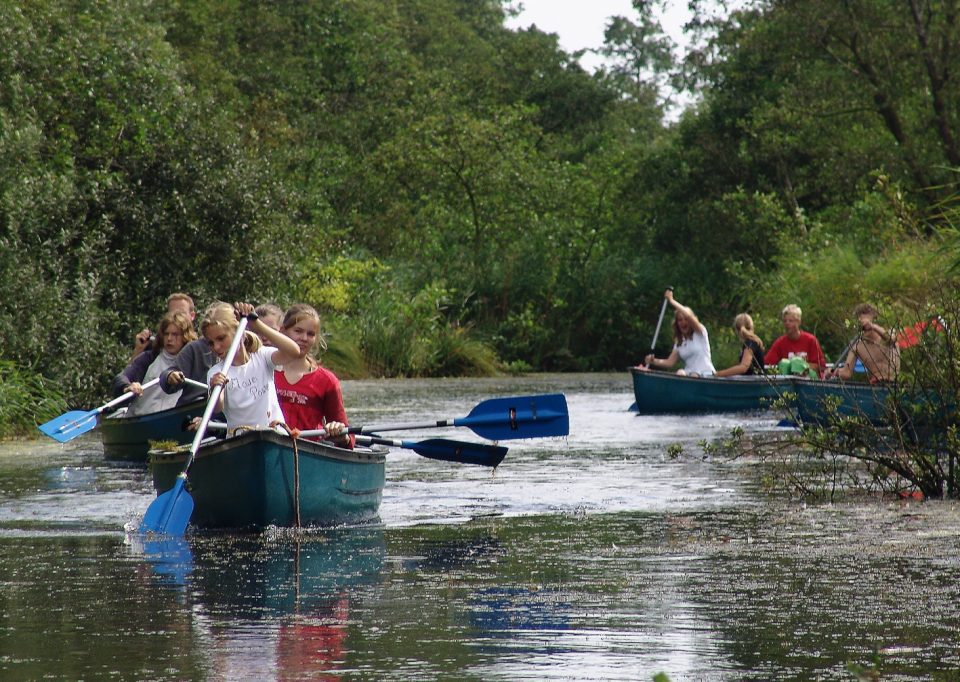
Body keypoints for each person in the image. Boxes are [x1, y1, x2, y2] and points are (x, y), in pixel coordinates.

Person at [202, 301, 301, 434]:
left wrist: (257, 325)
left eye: (221, 338)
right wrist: (216, 388)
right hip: (241, 441)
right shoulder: (216, 372)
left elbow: (294, 352)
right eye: (211, 343)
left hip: (274, 435)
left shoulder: (262, 356)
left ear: (240, 332)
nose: (216, 347)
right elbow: (217, 408)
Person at [273, 304, 352, 447]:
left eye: (310, 334)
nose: (304, 338)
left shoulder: (327, 381)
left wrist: (339, 433)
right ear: (283, 331)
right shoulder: (265, 370)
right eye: (298, 331)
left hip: (309, 451)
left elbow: (347, 438)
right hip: (269, 445)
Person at [112, 311, 196, 416]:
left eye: (175, 334)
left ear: (185, 336)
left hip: (173, 420)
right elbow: (121, 377)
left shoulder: (193, 362)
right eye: (166, 334)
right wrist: (127, 386)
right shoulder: (150, 358)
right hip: (140, 418)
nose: (169, 339)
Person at [641, 289, 716, 377]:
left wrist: (671, 301)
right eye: (680, 320)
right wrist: (653, 361)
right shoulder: (679, 342)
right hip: (690, 372)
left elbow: (689, 316)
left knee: (694, 375)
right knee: (680, 372)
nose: (683, 322)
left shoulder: (700, 332)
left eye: (686, 320)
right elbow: (669, 363)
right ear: (677, 323)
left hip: (706, 373)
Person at [828, 303, 900, 383]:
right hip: (876, 385)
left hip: (895, 385)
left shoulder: (889, 333)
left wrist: (872, 326)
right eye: (862, 324)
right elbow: (846, 373)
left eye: (867, 324)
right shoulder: (857, 347)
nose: (865, 327)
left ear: (874, 320)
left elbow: (891, 340)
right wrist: (833, 372)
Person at [764, 304, 826, 377]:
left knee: (796, 362)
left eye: (790, 321)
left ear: (798, 322)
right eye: (785, 321)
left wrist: (801, 365)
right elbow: (767, 364)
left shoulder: (811, 340)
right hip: (789, 381)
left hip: (810, 381)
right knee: (784, 364)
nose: (787, 323)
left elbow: (820, 367)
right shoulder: (780, 343)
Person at [131, 292, 197, 360]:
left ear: (192, 316)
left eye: (181, 313)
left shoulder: (200, 348)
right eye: (172, 313)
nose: (176, 317)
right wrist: (139, 350)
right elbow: (132, 369)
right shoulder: (156, 347)